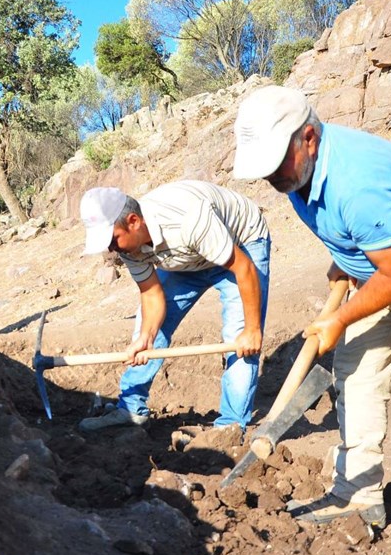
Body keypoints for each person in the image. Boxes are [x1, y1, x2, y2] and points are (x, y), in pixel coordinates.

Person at [232, 85, 391, 555]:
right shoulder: (297, 176)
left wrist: (338, 317)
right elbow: (355, 234)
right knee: (353, 370)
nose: (271, 176)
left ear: (308, 138)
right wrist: (345, 260)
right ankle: (356, 491)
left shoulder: (357, 180)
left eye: (276, 164)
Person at [76, 181, 271, 433]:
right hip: (187, 258)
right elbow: (151, 293)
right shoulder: (128, 246)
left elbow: (242, 268)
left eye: (112, 239)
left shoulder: (189, 218)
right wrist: (146, 338)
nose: (110, 249)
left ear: (134, 221)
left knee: (240, 337)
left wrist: (253, 329)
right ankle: (131, 408)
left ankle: (229, 428)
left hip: (240, 244)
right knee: (147, 331)